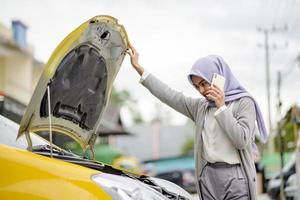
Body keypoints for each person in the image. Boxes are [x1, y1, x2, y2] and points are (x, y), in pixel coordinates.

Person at [127, 44, 268, 200]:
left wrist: (222, 107)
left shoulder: (244, 103)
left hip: (235, 177)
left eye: (204, 83)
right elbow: (169, 95)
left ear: (219, 77)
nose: (201, 90)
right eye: (197, 86)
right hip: (208, 177)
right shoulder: (201, 107)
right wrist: (139, 68)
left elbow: (241, 140)